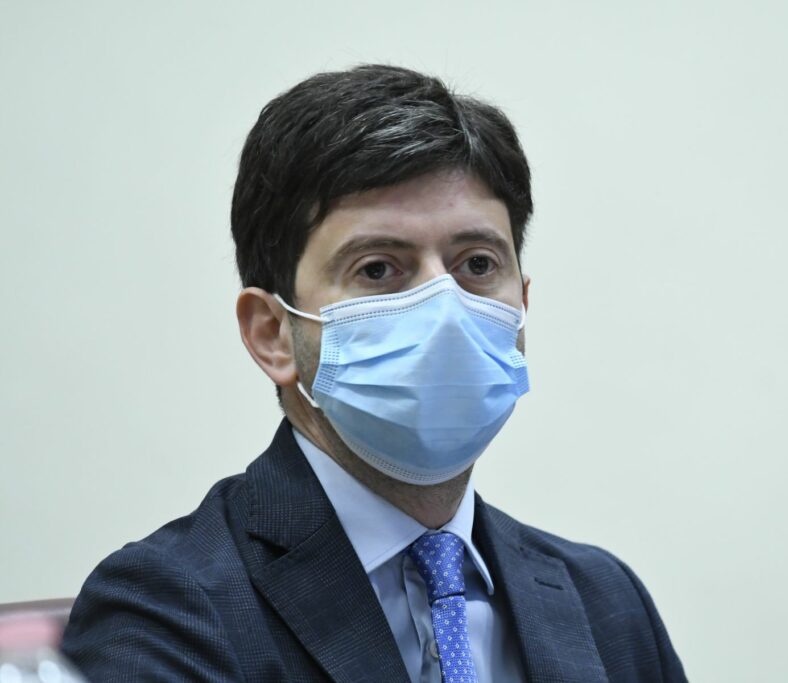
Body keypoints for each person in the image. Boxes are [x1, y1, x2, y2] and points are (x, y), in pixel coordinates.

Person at [61, 64, 687, 683]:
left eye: (476, 264)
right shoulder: (163, 614)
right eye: (378, 269)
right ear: (272, 333)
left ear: (522, 307)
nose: (444, 312)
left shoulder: (606, 603)